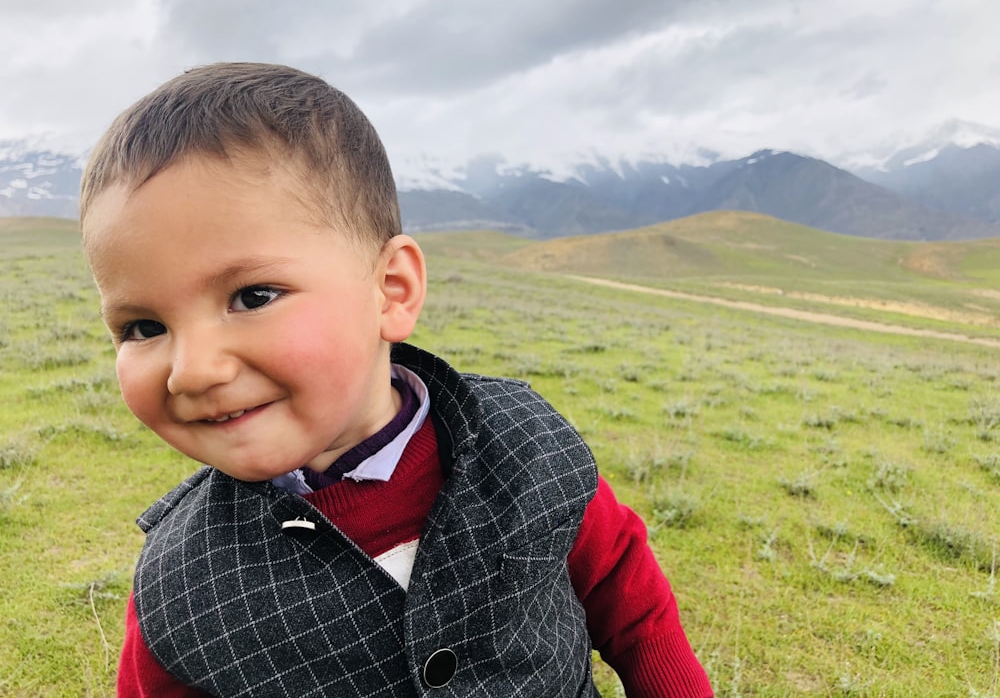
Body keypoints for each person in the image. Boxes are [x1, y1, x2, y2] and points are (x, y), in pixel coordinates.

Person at [80, 62, 713, 698]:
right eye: (141, 327)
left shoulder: (523, 447)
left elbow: (625, 593)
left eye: (254, 296)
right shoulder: (179, 586)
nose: (192, 370)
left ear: (390, 290)